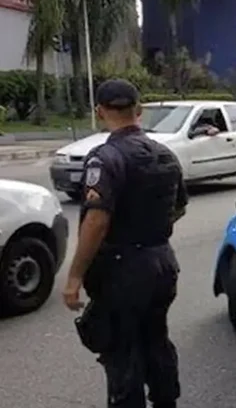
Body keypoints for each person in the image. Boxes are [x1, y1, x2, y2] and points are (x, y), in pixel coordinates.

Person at [62, 79, 188, 408]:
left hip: (123, 271)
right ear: (139, 110)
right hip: (162, 263)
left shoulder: (105, 158)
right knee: (156, 338)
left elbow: (96, 221)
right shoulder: (165, 154)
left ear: (100, 111)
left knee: (122, 352)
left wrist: (74, 276)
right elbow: (179, 207)